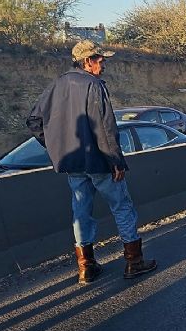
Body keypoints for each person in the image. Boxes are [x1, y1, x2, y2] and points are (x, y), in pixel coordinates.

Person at [26, 40, 156, 284]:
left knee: (81, 211)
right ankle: (134, 261)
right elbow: (105, 127)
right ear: (87, 61)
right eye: (100, 59)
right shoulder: (94, 85)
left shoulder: (56, 84)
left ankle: (86, 267)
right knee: (122, 206)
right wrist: (115, 161)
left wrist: (56, 146)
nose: (103, 63)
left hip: (73, 163)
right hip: (99, 162)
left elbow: (34, 121)